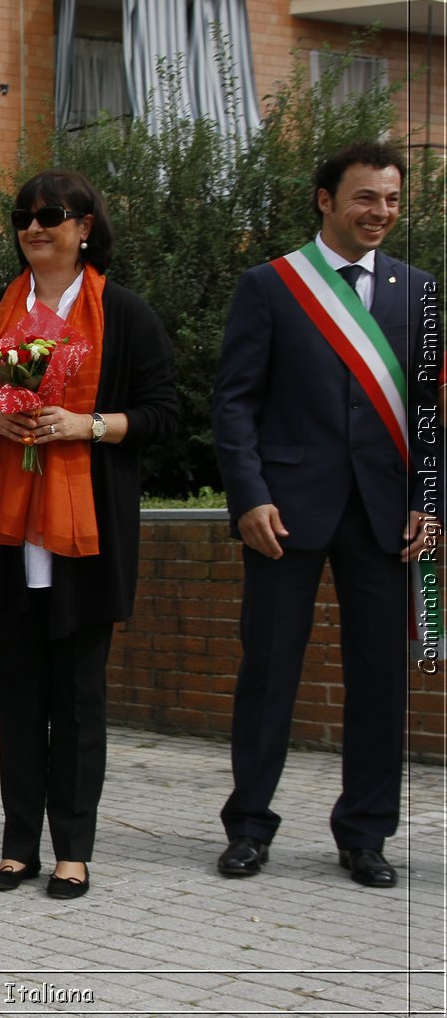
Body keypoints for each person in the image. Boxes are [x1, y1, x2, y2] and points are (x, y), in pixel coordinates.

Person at [0, 169, 178, 900]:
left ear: (85, 227)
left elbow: (164, 414)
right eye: (23, 216)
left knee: (77, 700)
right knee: (17, 698)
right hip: (7, 537)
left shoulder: (125, 316)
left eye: (51, 215)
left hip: (86, 538)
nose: (34, 227)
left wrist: (87, 425)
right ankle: (16, 846)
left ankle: (73, 849)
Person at [212, 141, 439, 888]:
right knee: (269, 669)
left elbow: (433, 417)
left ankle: (365, 833)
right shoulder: (271, 285)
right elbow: (235, 401)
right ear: (325, 199)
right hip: (284, 511)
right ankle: (248, 825)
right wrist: (248, 494)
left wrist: (429, 503)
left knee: (381, 679)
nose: (380, 213)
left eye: (391, 200)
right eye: (365, 198)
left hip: (384, 516)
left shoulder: (421, 293)